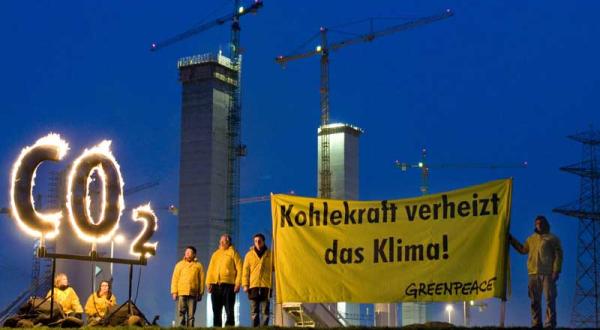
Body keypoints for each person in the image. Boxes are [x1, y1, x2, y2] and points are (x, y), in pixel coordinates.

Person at [509, 215, 563, 328]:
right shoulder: (531, 239)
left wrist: (556, 270)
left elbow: (559, 255)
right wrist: (511, 239)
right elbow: (523, 250)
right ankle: (536, 324)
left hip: (548, 273)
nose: (539, 225)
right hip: (533, 274)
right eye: (537, 223)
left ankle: (550, 324)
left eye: (541, 223)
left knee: (550, 299)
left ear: (546, 224)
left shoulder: (552, 238)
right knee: (534, 301)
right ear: (535, 225)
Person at [206, 234, 242, 327]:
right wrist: (208, 283)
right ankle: (216, 327)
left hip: (229, 285)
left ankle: (229, 327)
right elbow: (210, 269)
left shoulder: (233, 253)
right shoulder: (215, 254)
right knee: (216, 310)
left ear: (228, 242)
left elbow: (240, 268)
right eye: (220, 241)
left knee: (229, 309)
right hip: (215, 285)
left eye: (223, 241)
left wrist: (238, 283)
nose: (221, 243)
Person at [242, 233, 273, 327]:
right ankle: (255, 328)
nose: (257, 242)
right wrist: (245, 285)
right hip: (253, 286)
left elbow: (275, 267)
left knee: (265, 312)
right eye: (255, 241)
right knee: (254, 311)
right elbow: (245, 271)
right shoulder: (249, 255)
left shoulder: (270, 254)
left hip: (266, 285)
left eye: (259, 240)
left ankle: (264, 328)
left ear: (263, 241)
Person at [171, 246, 204, 327]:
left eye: (189, 252)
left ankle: (190, 328)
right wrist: (174, 292)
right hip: (182, 292)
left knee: (191, 314)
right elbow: (175, 279)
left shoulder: (198, 266)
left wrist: (200, 293)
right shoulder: (179, 265)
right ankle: (181, 328)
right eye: (186, 252)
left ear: (194, 254)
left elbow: (202, 280)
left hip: (193, 293)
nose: (187, 254)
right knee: (181, 312)